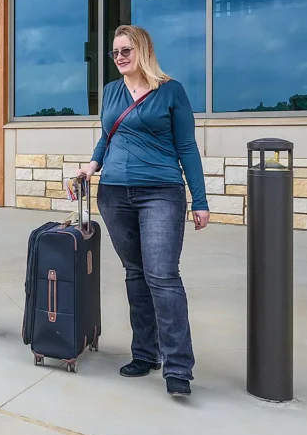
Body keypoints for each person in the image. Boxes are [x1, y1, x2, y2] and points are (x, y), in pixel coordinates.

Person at [78, 24, 210, 398]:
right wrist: (92, 165)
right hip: (114, 194)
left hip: (161, 192)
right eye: (115, 53)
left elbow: (187, 147)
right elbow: (107, 136)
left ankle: (178, 367)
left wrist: (199, 200)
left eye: (126, 51)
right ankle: (145, 353)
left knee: (163, 276)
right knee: (136, 273)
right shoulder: (111, 92)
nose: (120, 58)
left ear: (143, 51)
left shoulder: (171, 91)